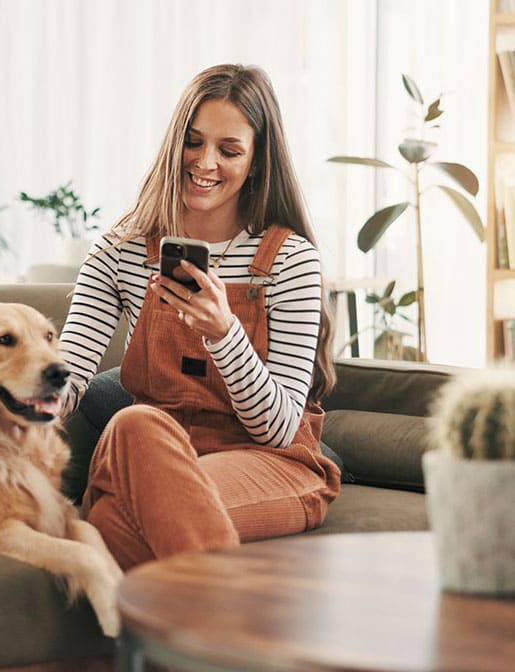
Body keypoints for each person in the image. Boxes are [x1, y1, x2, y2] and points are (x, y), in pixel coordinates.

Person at [58, 63, 341, 570]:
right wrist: (17, 407)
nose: (205, 162)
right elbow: (69, 373)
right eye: (193, 142)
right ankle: (225, 636)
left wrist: (224, 332)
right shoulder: (118, 252)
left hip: (266, 461)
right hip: (151, 450)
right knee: (133, 423)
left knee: (112, 524)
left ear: (255, 161)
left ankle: (189, 637)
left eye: (229, 150)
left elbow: (278, 428)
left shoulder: (291, 260)